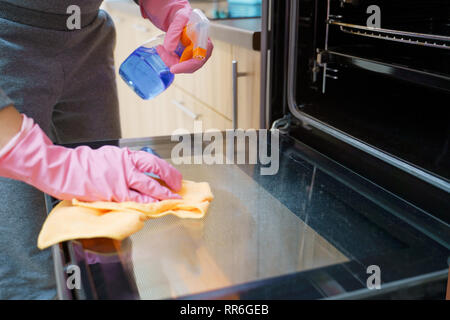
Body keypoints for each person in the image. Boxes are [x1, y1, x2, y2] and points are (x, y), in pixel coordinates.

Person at [0, 0, 213, 299]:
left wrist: (164, 5)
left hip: (88, 42)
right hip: (7, 43)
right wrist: (43, 163)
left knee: (109, 230)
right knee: (28, 259)